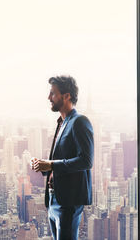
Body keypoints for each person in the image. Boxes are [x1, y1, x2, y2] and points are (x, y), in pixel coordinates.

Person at [31, 76, 94, 240]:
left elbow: (86, 160)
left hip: (68, 201)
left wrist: (51, 164)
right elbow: (63, 157)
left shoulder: (80, 121)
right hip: (54, 197)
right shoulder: (61, 122)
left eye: (53, 93)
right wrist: (44, 166)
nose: (49, 98)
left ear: (67, 96)